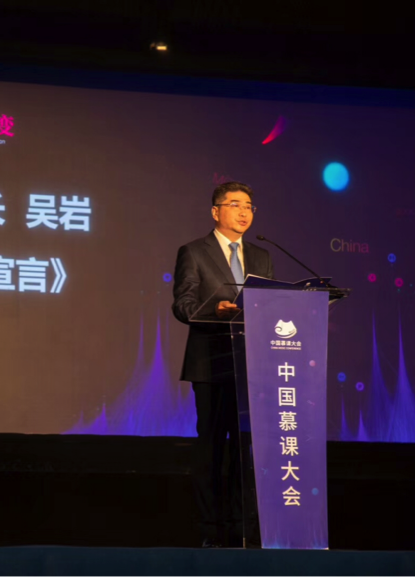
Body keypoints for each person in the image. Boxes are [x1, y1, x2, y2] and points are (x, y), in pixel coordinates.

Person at [171, 182, 274, 548]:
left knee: (248, 451)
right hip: (211, 364)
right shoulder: (193, 252)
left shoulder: (261, 256)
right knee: (213, 450)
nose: (244, 212)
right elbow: (182, 304)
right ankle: (211, 531)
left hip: (252, 366)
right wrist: (213, 310)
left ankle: (245, 530)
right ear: (215, 211)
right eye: (235, 204)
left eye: (249, 205)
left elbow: (269, 305)